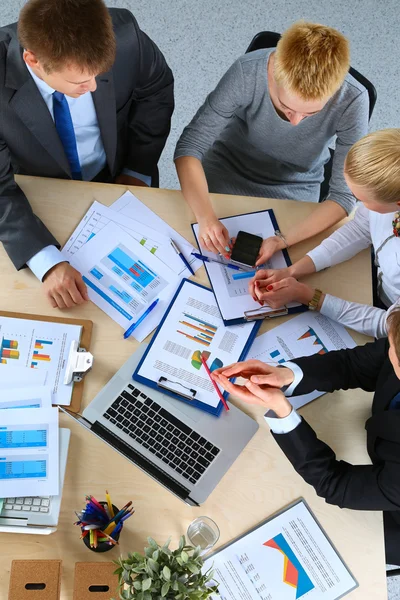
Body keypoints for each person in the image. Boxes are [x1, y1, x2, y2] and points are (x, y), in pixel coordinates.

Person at [0, 0, 174, 309]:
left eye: (98, 75)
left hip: (121, 173)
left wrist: (137, 170)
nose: (93, 88)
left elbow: (156, 91)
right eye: (79, 81)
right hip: (39, 196)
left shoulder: (126, 36)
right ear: (33, 60)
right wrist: (46, 261)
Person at [212, 308, 400, 566]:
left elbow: (336, 485)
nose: (386, 347)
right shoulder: (397, 347)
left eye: (391, 349)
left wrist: (283, 412)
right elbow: (356, 364)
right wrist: (287, 375)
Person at [174, 21, 368, 259]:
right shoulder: (247, 72)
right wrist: (206, 217)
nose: (296, 122)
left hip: (296, 187)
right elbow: (190, 146)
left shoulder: (353, 100)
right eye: (286, 108)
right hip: (227, 169)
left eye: (310, 114)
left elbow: (343, 196)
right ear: (274, 73)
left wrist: (282, 240)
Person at [250, 129, 400, 338]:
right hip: (376, 281)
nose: (357, 204)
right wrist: (292, 271)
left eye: (362, 200)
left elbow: (389, 325)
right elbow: (359, 229)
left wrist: (308, 296)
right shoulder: (389, 197)